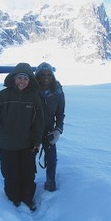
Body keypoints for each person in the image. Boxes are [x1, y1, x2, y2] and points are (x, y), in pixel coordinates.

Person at [0, 62, 44, 211]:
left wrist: (36, 141)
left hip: (27, 145)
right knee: (11, 174)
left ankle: (28, 199)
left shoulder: (34, 98)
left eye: (25, 78)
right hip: (6, 145)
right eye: (19, 78)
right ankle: (13, 200)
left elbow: (38, 122)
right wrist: (0, 129)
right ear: (13, 79)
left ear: (30, 80)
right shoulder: (1, 96)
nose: (22, 81)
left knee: (28, 174)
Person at [35, 62, 65, 192]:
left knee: (52, 159)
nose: (46, 77)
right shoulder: (31, 91)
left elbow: (60, 114)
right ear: (38, 76)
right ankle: (28, 185)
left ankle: (50, 183)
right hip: (32, 131)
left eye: (49, 74)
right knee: (28, 159)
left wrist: (58, 130)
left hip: (49, 131)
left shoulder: (58, 92)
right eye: (42, 74)